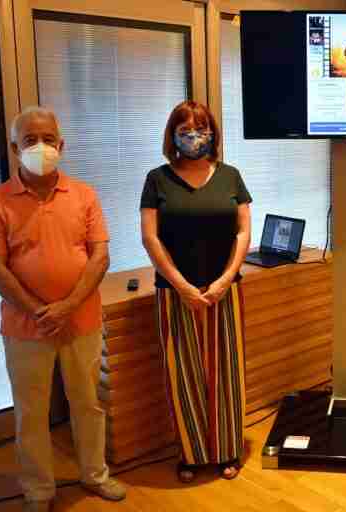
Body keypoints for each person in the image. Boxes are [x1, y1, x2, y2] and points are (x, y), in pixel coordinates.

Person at [0, 107, 126, 512]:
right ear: (14, 148)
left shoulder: (84, 195)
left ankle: (95, 474)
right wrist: (42, 313)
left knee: (88, 404)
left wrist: (68, 306)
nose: (40, 146)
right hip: (24, 328)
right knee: (31, 413)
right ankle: (38, 491)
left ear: (61, 145)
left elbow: (100, 257)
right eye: (30, 140)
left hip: (82, 320)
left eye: (47, 139)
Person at [140, 101, 252, 483]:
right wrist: (183, 286)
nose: (193, 137)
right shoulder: (157, 179)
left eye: (201, 129)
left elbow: (243, 232)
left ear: (213, 134)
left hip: (225, 290)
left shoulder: (231, 176)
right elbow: (150, 238)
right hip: (175, 292)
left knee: (227, 373)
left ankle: (228, 450)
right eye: (185, 131)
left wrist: (225, 279)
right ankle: (190, 453)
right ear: (172, 136)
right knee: (183, 375)